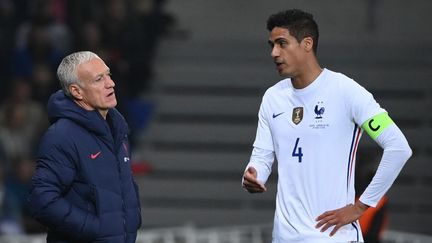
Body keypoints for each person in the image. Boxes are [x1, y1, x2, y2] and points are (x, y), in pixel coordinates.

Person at [242, 9, 412, 243]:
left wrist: (361, 207)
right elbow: (261, 157)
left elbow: (399, 147)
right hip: (284, 238)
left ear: (307, 44)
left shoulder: (346, 91)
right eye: (272, 45)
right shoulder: (273, 98)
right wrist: (254, 175)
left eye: (282, 44)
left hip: (333, 238)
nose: (274, 53)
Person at [28, 51, 141, 242]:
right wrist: (96, 229)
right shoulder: (62, 136)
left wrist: (132, 219)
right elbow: (42, 200)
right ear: (77, 91)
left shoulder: (117, 130)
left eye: (108, 75)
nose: (110, 83)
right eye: (98, 79)